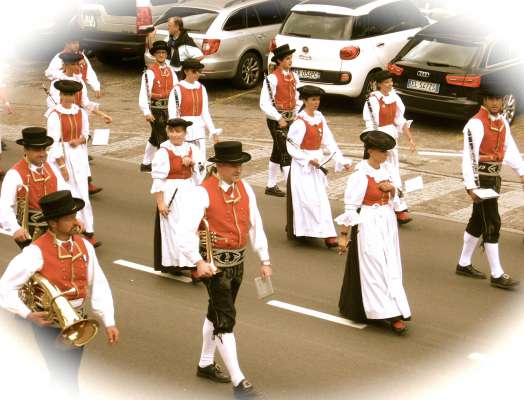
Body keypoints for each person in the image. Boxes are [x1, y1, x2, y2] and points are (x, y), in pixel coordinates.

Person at [176, 141, 272, 398]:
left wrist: (264, 259)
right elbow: (183, 233)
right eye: (233, 165)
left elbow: (255, 225)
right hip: (215, 266)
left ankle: (205, 363)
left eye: (240, 164)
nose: (238, 169)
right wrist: (198, 262)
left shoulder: (246, 189)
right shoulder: (202, 192)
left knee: (215, 314)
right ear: (219, 166)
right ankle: (239, 382)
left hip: (238, 263)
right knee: (226, 319)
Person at [0, 190, 119, 398]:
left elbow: (99, 284)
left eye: (75, 216)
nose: (76, 221)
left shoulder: (84, 247)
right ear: (53, 223)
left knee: (66, 374)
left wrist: (109, 320)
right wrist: (27, 314)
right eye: (70, 217)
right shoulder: (35, 252)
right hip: (49, 324)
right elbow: (5, 288)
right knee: (64, 376)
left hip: (77, 319)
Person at [337, 130, 412, 335]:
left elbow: (399, 196)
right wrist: (343, 236)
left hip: (387, 222)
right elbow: (350, 207)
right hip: (368, 221)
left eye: (387, 151)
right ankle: (388, 313)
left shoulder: (388, 169)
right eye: (382, 151)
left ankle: (395, 307)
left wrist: (392, 190)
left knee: (391, 265)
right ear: (370, 151)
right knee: (375, 265)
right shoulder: (360, 175)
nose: (386, 155)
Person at [455, 80, 524, 289]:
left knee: (478, 221)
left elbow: (509, 149)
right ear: (484, 99)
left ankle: (463, 263)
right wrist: (471, 186)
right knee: (492, 222)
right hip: (481, 180)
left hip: (494, 179)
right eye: (491, 99)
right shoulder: (475, 123)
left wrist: (521, 171)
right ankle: (497, 273)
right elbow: (469, 157)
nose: (495, 103)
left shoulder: (502, 121)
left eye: (499, 99)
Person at [286, 85, 352, 248]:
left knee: (321, 200)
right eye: (313, 100)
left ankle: (328, 235)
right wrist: (307, 159)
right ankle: (305, 231)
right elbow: (291, 146)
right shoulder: (300, 122)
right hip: (303, 169)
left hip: (317, 165)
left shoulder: (319, 117)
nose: (316, 103)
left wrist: (341, 160)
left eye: (318, 100)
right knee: (307, 201)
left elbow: (329, 140)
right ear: (305, 101)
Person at [46, 52, 112, 196]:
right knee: (61, 152)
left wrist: (102, 115)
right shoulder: (57, 82)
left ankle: (85, 183)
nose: (80, 67)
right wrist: (64, 115)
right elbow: (54, 105)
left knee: (80, 152)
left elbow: (85, 103)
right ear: (68, 65)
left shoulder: (79, 81)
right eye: (76, 64)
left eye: (80, 64)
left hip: (78, 120)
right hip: (63, 123)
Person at [46, 79, 101, 247]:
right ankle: (69, 230)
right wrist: (62, 166)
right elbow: (53, 142)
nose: (68, 98)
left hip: (78, 156)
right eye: (65, 94)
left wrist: (79, 140)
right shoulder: (54, 114)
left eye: (71, 94)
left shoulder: (80, 112)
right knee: (68, 195)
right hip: (61, 157)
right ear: (60, 95)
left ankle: (88, 231)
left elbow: (87, 134)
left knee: (83, 194)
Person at [0, 127, 73, 249]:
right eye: (37, 150)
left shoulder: (51, 168)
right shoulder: (15, 174)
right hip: (31, 232)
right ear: (26, 150)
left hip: (56, 228)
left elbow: (66, 194)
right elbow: (4, 206)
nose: (42, 154)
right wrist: (15, 228)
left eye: (44, 149)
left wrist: (75, 219)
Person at [151, 118, 204, 275]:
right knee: (173, 229)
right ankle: (175, 263)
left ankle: (193, 263)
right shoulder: (163, 152)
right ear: (168, 132)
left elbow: (203, 169)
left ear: (185, 133)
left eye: (178, 131)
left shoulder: (193, 149)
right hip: (171, 192)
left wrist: (193, 164)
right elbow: (158, 180)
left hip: (189, 188)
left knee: (191, 227)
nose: (175, 135)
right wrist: (160, 203)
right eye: (172, 131)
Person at [363, 69, 416, 224]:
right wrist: (377, 144)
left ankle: (398, 205)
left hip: (392, 138)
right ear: (379, 84)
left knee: (394, 171)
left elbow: (400, 120)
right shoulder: (373, 100)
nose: (390, 84)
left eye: (391, 81)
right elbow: (372, 124)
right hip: (379, 137)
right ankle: (397, 208)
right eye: (386, 82)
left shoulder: (394, 97)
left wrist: (410, 138)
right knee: (382, 173)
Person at [260, 44, 302, 197]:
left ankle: (270, 185)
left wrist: (296, 113)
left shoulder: (294, 76)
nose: (290, 61)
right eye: (287, 59)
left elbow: (298, 97)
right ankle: (292, 189)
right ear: (279, 61)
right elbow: (264, 103)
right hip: (276, 120)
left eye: (291, 58)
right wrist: (278, 118)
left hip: (290, 119)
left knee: (278, 151)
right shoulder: (272, 79)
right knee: (286, 152)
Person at [168, 58, 221, 161]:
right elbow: (172, 114)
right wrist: (176, 132)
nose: (197, 74)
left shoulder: (201, 88)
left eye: (199, 71)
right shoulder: (177, 89)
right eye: (194, 71)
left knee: (200, 161)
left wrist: (212, 131)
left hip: (198, 130)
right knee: (185, 159)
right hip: (184, 130)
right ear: (186, 71)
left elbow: (205, 112)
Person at [139, 40, 179, 172]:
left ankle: (146, 164)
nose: (161, 55)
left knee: (154, 137)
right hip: (155, 110)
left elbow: (176, 90)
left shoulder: (171, 71)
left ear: (166, 54)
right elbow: (144, 93)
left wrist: (178, 108)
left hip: (169, 109)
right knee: (163, 138)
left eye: (163, 52)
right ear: (154, 55)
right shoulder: (149, 72)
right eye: (158, 53)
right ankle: (165, 166)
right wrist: (146, 111)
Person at [45, 30, 101, 97]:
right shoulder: (59, 57)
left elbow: (89, 72)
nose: (77, 45)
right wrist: (66, 76)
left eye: (77, 43)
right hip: (63, 95)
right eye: (73, 43)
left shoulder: (82, 56)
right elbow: (48, 73)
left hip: (79, 93)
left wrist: (96, 87)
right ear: (66, 43)